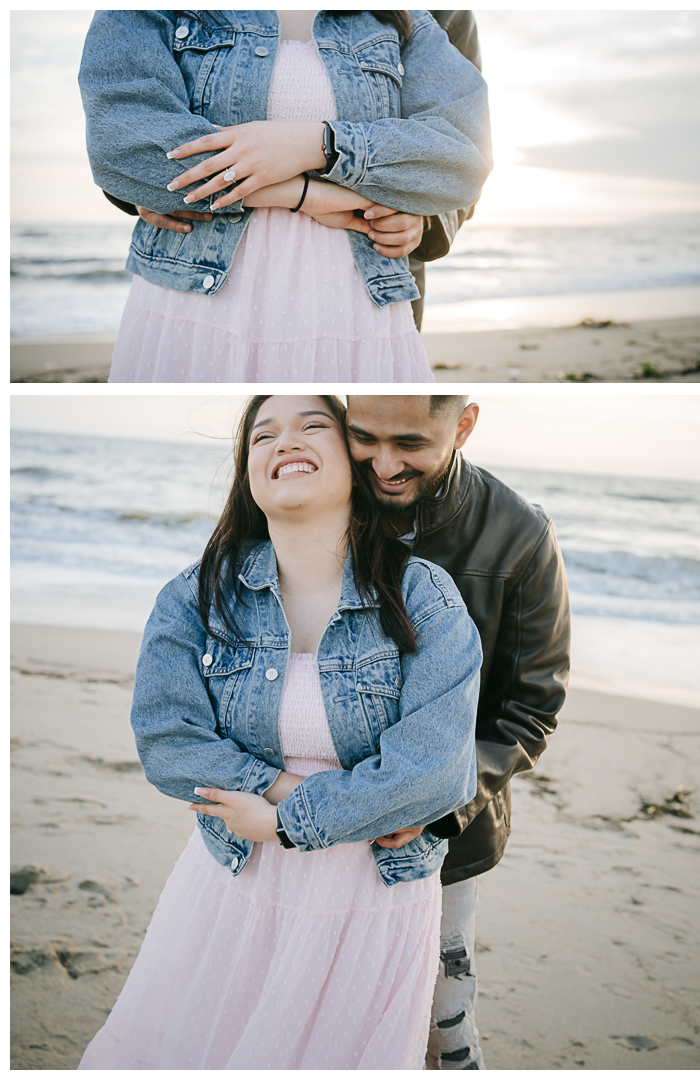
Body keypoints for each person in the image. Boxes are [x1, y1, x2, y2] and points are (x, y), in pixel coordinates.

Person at [78, 394, 482, 1070]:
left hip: (373, 891)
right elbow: (167, 741)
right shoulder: (195, 595)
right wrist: (284, 794)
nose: (284, 441)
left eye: (312, 425)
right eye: (262, 435)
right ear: (248, 473)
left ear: (355, 466)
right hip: (235, 878)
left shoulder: (424, 596)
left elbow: (438, 769)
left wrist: (291, 821)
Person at [343, 395, 571, 1069]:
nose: (383, 465)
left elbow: (530, 708)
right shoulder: (324, 495)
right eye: (364, 437)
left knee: (443, 1018)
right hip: (311, 815)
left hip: (447, 835)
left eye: (410, 443)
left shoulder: (520, 535)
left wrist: (437, 803)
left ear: (463, 425)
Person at [78, 11, 492, 383]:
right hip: (193, 302)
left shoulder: (412, 19)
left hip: (356, 304)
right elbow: (123, 144)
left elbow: (464, 156)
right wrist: (307, 195)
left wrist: (316, 144)